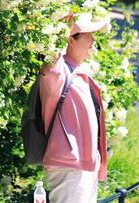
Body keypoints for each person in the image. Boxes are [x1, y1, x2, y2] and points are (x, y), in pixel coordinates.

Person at [39, 13, 108, 202]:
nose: (93, 39)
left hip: (82, 165)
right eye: (88, 34)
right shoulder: (57, 72)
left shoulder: (76, 71)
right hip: (68, 166)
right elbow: (52, 58)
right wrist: (61, 25)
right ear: (70, 40)